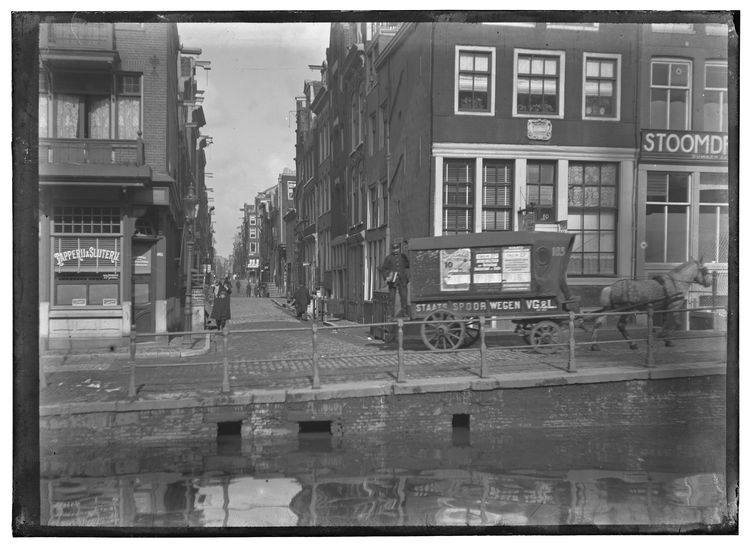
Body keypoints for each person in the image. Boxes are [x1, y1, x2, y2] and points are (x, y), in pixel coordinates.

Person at [380, 241, 410, 320]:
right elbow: (383, 269)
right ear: (392, 249)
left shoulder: (403, 256)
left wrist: (409, 252)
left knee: (404, 297)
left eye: (397, 248)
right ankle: (390, 314)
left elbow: (408, 265)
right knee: (391, 298)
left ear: (399, 248)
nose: (395, 250)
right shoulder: (388, 258)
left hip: (402, 280)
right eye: (394, 249)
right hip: (392, 281)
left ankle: (405, 313)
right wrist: (386, 277)